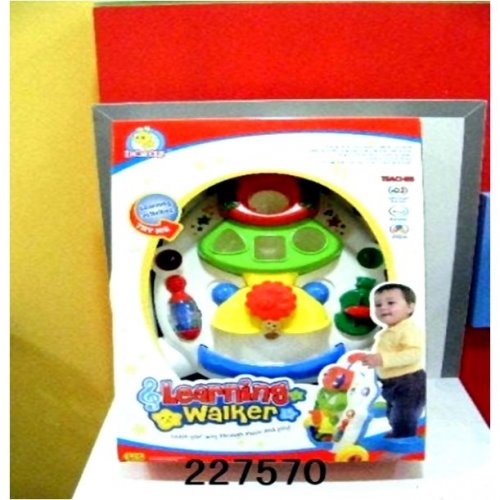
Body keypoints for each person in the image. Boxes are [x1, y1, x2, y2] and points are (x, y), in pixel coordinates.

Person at [360, 283, 425, 438]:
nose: (383, 308)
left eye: (390, 303)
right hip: (391, 383)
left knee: (404, 414)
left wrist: (382, 359)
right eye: (378, 305)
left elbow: (414, 353)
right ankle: (399, 432)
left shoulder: (408, 329)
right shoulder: (388, 332)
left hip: (410, 382)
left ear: (410, 307)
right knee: (393, 412)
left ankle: (405, 438)